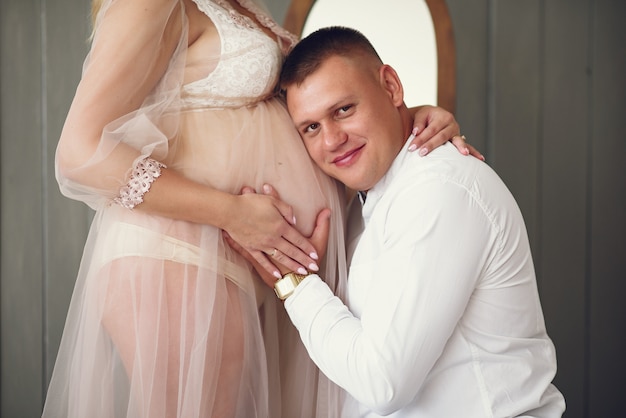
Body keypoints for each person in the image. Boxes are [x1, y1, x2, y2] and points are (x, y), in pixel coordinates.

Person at [42, 2, 475, 418]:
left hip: (229, 263)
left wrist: (407, 117)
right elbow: (79, 152)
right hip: (177, 254)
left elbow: (301, 108)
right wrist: (233, 213)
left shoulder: (237, 3)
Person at [247, 26, 566, 417]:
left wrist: (295, 285)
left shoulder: (438, 189)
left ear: (391, 87)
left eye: (343, 110)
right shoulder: (361, 205)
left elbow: (382, 382)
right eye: (311, 128)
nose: (331, 140)